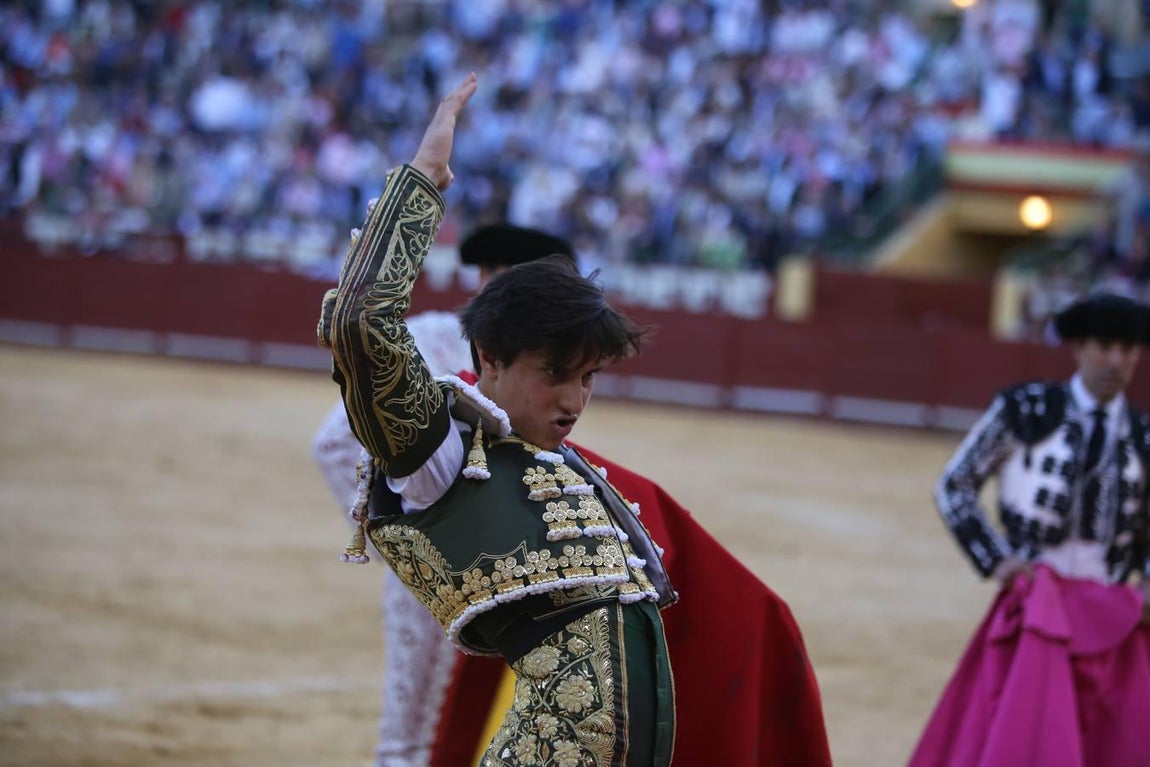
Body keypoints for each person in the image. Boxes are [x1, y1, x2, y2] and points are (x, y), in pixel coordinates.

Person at [319, 72, 677, 765]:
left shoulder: (547, 454)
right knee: (413, 736)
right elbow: (360, 324)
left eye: (588, 378)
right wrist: (425, 179)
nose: (574, 401)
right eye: (555, 375)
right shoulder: (442, 452)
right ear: (488, 356)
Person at [310, 221, 578, 767]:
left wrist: (408, 545)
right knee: (432, 736)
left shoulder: (513, 355)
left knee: (436, 734)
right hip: (498, 572)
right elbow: (335, 443)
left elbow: (335, 445)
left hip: (478, 570)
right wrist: (404, 543)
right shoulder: (436, 341)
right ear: (487, 279)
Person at [908, 292, 1150, 767]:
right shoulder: (1024, 409)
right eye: (1105, 346)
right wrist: (996, 559)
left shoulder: (1145, 435)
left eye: (1128, 349)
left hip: (1114, 616)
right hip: (1036, 604)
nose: (1116, 361)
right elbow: (954, 485)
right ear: (1078, 347)